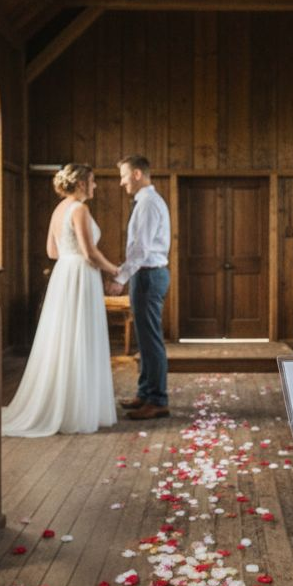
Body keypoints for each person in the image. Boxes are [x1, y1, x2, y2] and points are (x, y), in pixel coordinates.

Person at [2, 163, 119, 437]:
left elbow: (52, 251)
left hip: (63, 274)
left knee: (64, 336)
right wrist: (114, 269)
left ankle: (65, 404)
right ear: (81, 184)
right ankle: (76, 410)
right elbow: (90, 253)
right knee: (80, 336)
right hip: (80, 274)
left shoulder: (59, 209)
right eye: (92, 181)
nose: (95, 186)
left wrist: (71, 257)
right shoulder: (79, 209)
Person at [106, 154, 172, 420]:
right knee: (144, 339)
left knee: (151, 339)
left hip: (148, 275)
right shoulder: (145, 201)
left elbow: (141, 249)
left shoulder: (147, 203)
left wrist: (120, 278)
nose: (122, 182)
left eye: (123, 176)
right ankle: (145, 393)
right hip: (145, 275)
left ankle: (157, 399)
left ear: (136, 174)